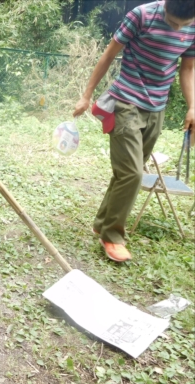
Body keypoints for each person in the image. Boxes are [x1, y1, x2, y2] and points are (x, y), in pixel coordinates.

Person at [73, 0, 194, 262]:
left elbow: (188, 68)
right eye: (171, 21)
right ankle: (112, 236)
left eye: (181, 25)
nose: (175, 28)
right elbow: (108, 54)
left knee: (126, 172)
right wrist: (86, 95)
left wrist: (193, 106)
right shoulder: (141, 15)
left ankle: (102, 222)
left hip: (157, 108)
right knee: (132, 174)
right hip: (126, 101)